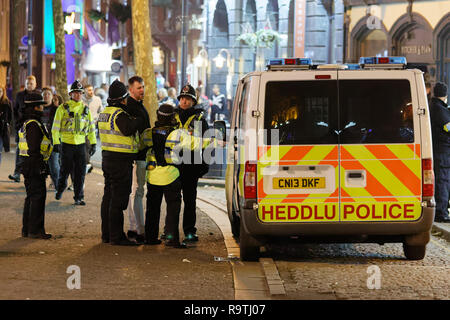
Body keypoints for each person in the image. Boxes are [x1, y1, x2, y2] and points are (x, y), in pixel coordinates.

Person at [98, 79, 144, 246]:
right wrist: (138, 120)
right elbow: (127, 129)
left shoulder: (105, 112)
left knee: (108, 197)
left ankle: (107, 234)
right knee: (118, 200)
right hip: (120, 161)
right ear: (122, 99)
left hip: (108, 158)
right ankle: (117, 237)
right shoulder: (119, 115)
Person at [141, 104, 190, 247]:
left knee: (152, 208)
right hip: (171, 175)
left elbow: (139, 145)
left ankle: (150, 238)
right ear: (172, 117)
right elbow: (193, 144)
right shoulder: (178, 134)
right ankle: (171, 238)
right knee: (173, 208)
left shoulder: (148, 133)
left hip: (153, 176)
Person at [174, 84, 210, 242]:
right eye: (182, 98)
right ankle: (170, 231)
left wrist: (204, 165)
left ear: (193, 101)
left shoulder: (200, 119)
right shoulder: (172, 116)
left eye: (188, 99)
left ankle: (189, 231)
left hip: (191, 165)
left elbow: (208, 141)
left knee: (189, 200)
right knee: (173, 200)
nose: (184, 101)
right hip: (173, 164)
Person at [52, 80, 97, 206]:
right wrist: (56, 143)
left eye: (80, 93)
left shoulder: (85, 110)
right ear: (71, 94)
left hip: (81, 145)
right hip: (66, 145)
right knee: (64, 171)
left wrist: (93, 143)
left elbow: (91, 128)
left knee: (80, 173)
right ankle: (60, 189)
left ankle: (78, 197)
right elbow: (55, 128)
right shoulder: (63, 108)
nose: (78, 95)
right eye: (75, 93)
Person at [19, 93, 53, 239]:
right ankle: (35, 230)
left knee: (31, 197)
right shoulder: (33, 124)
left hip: (28, 164)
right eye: (40, 105)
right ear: (34, 107)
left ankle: (27, 229)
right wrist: (40, 166)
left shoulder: (28, 122)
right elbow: (34, 148)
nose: (42, 108)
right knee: (37, 197)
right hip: (33, 165)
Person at [126, 76, 151, 244]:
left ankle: (134, 227)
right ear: (131, 90)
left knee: (135, 192)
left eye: (142, 87)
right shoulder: (131, 107)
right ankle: (138, 229)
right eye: (139, 88)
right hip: (137, 155)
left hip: (141, 154)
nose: (142, 90)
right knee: (137, 192)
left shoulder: (137, 105)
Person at [9, 75, 41, 183]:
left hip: (34, 128)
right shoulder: (19, 95)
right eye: (27, 83)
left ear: (35, 84)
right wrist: (17, 123)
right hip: (21, 127)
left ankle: (33, 174)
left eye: (31, 83)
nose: (29, 85)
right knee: (20, 150)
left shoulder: (38, 96)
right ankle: (17, 173)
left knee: (33, 152)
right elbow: (15, 109)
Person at [429, 82, 450, 223]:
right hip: (442, 152)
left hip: (437, 150)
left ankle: (440, 210)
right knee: (443, 181)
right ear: (445, 95)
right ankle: (441, 213)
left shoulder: (432, 107)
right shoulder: (440, 110)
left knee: (440, 181)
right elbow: (448, 128)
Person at [41, 87, 60, 189]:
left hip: (53, 141)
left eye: (48, 94)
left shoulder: (56, 110)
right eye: (44, 94)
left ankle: (58, 186)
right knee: (41, 165)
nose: (46, 96)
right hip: (40, 142)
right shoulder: (38, 109)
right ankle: (39, 186)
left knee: (54, 165)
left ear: (52, 96)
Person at [83, 84, 103, 174]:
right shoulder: (81, 100)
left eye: (92, 90)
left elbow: (101, 111)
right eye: (89, 90)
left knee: (90, 146)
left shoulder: (97, 100)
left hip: (93, 127)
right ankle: (86, 163)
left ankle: (87, 162)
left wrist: (97, 119)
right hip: (83, 128)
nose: (91, 92)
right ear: (84, 91)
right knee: (85, 146)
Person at [0, 84, 12, 165]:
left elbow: (10, 118)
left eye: (0, 91)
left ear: (3, 92)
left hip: (1, 131)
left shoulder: (6, 103)